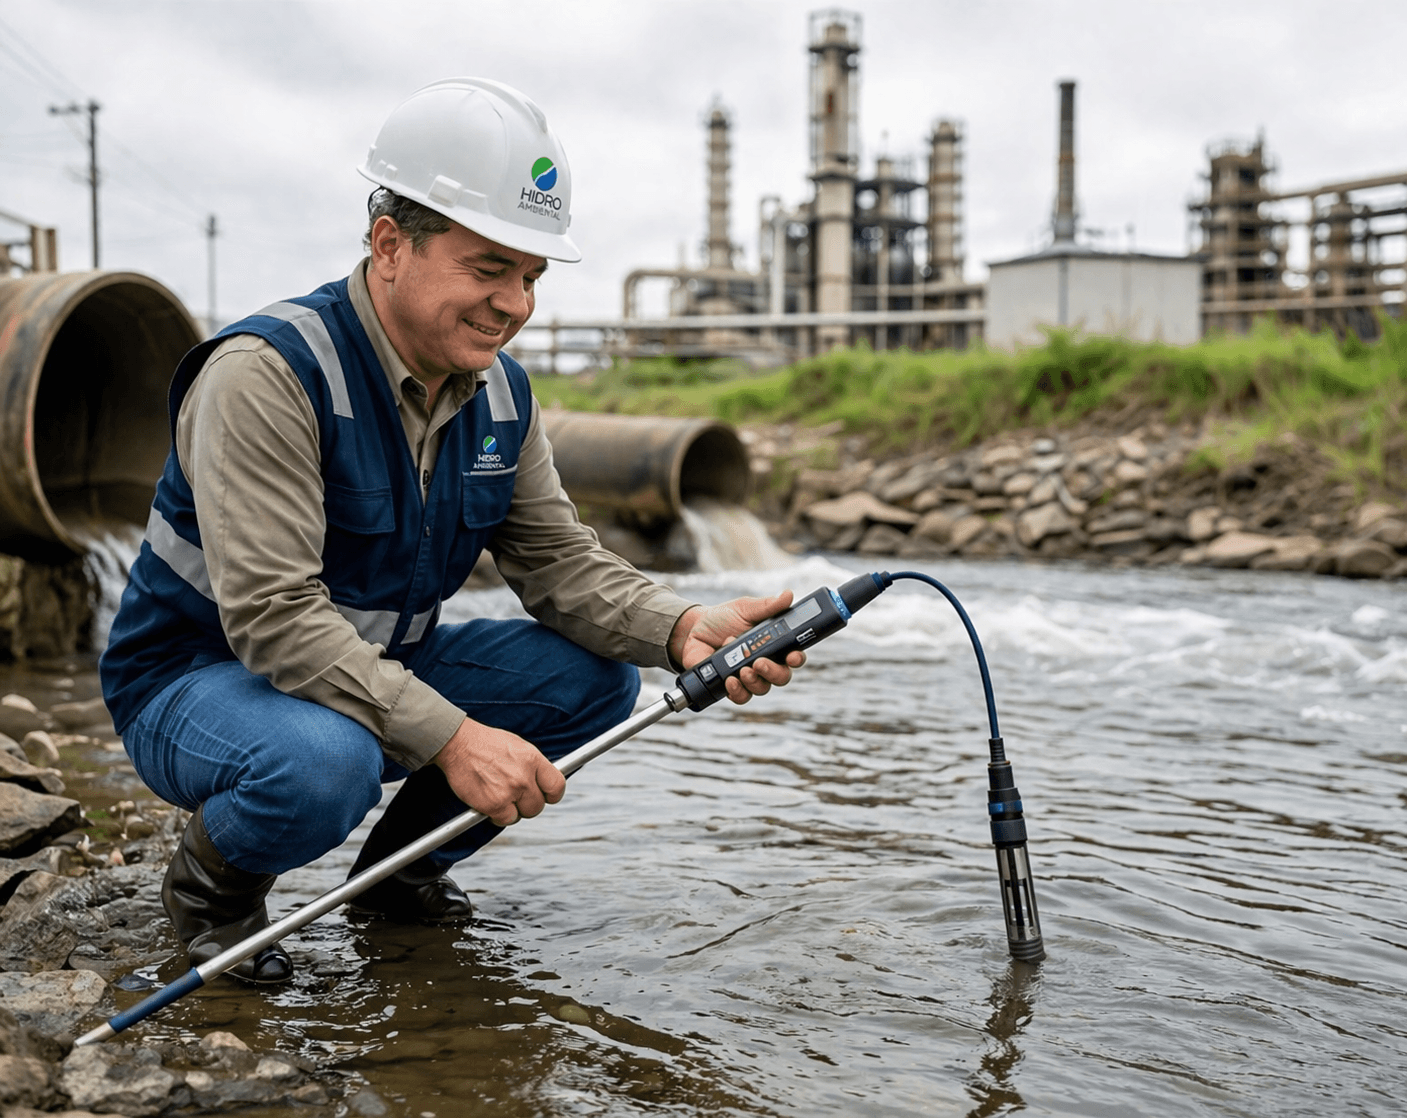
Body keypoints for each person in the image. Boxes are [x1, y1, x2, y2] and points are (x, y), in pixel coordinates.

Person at [99, 78, 804, 985]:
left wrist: (681, 628)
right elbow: (274, 620)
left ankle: (393, 885)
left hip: (364, 668)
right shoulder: (265, 376)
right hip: (198, 681)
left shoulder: (500, 392)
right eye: (489, 268)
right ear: (391, 245)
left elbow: (558, 564)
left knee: (591, 679)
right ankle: (213, 892)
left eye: (531, 277)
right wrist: (452, 738)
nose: (515, 304)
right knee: (326, 762)